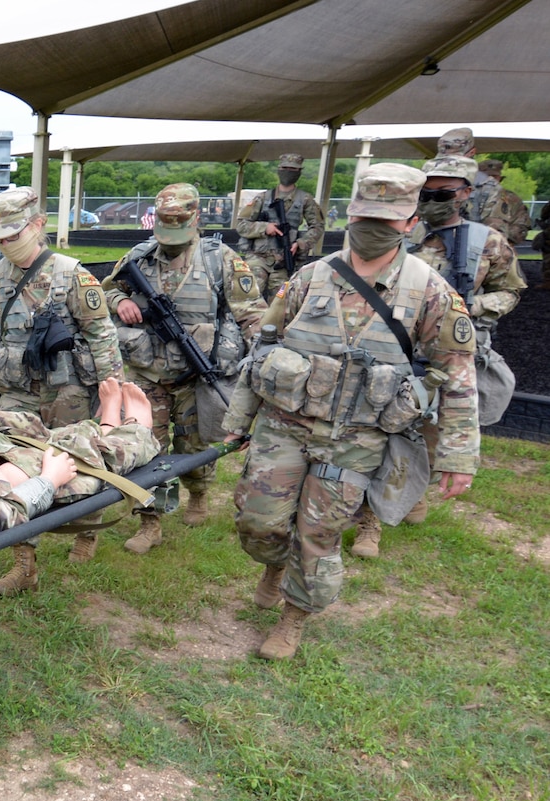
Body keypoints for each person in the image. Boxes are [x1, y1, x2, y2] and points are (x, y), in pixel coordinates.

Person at [222, 162, 479, 660]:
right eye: (364, 218)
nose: (371, 231)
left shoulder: (430, 291)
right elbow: (262, 354)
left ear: (409, 223)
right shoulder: (310, 277)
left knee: (318, 532)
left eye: (386, 222)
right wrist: (237, 422)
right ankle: (274, 564)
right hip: (285, 425)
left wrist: (458, 455)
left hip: (357, 437)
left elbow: (459, 375)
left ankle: (293, 618)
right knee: (260, 523)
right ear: (350, 214)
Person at [0, 185, 123, 592]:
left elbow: (101, 334)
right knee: (15, 468)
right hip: (17, 394)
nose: (6, 245)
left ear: (38, 225)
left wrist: (115, 390)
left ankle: (86, 529)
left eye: (14, 236)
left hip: (68, 392)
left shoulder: (74, 275)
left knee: (78, 463)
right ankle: (25, 563)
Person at [102, 182, 266, 554]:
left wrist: (262, 352)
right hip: (147, 373)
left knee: (193, 446)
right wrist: (121, 302)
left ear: (195, 218)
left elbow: (251, 311)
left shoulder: (219, 259)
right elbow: (108, 287)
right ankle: (150, 522)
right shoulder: (140, 256)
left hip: (196, 372)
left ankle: (199, 492)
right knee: (147, 449)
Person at [369, 154, 525, 540]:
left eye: (442, 193)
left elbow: (510, 291)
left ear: (466, 193)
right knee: (380, 429)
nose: (432, 200)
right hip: (396, 348)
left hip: (447, 353)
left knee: (432, 434)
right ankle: (369, 518)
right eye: (426, 192)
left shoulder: (488, 242)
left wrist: (476, 306)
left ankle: (413, 492)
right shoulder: (403, 233)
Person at [0, 377, 160, 540]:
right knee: (74, 460)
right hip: (2, 482)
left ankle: (106, 426)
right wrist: (47, 481)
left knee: (24, 430)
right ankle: (131, 429)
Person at [233, 153, 326, 296]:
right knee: (248, 293)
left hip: (284, 261)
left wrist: (301, 243)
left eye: (293, 169)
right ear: (279, 169)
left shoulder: (305, 199)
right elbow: (242, 224)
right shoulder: (263, 198)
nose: (288, 172)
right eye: (285, 168)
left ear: (299, 172)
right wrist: (264, 228)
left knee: (280, 301)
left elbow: (317, 226)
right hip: (259, 257)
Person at [473, 160, 532, 245]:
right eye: (487, 177)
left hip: (501, 246)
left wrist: (504, 240)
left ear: (500, 178)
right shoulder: (467, 194)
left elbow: (521, 226)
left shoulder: (513, 199)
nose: (491, 180)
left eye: (494, 177)